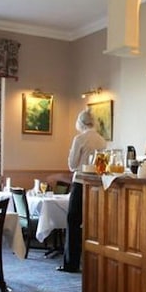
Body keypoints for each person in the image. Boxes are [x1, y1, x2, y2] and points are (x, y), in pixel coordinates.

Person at [61, 108, 107, 272]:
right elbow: (102, 166)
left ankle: (71, 263)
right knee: (92, 223)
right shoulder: (102, 141)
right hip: (97, 185)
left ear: (80, 122)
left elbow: (72, 165)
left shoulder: (79, 139)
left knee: (73, 221)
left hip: (80, 182)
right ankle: (92, 261)